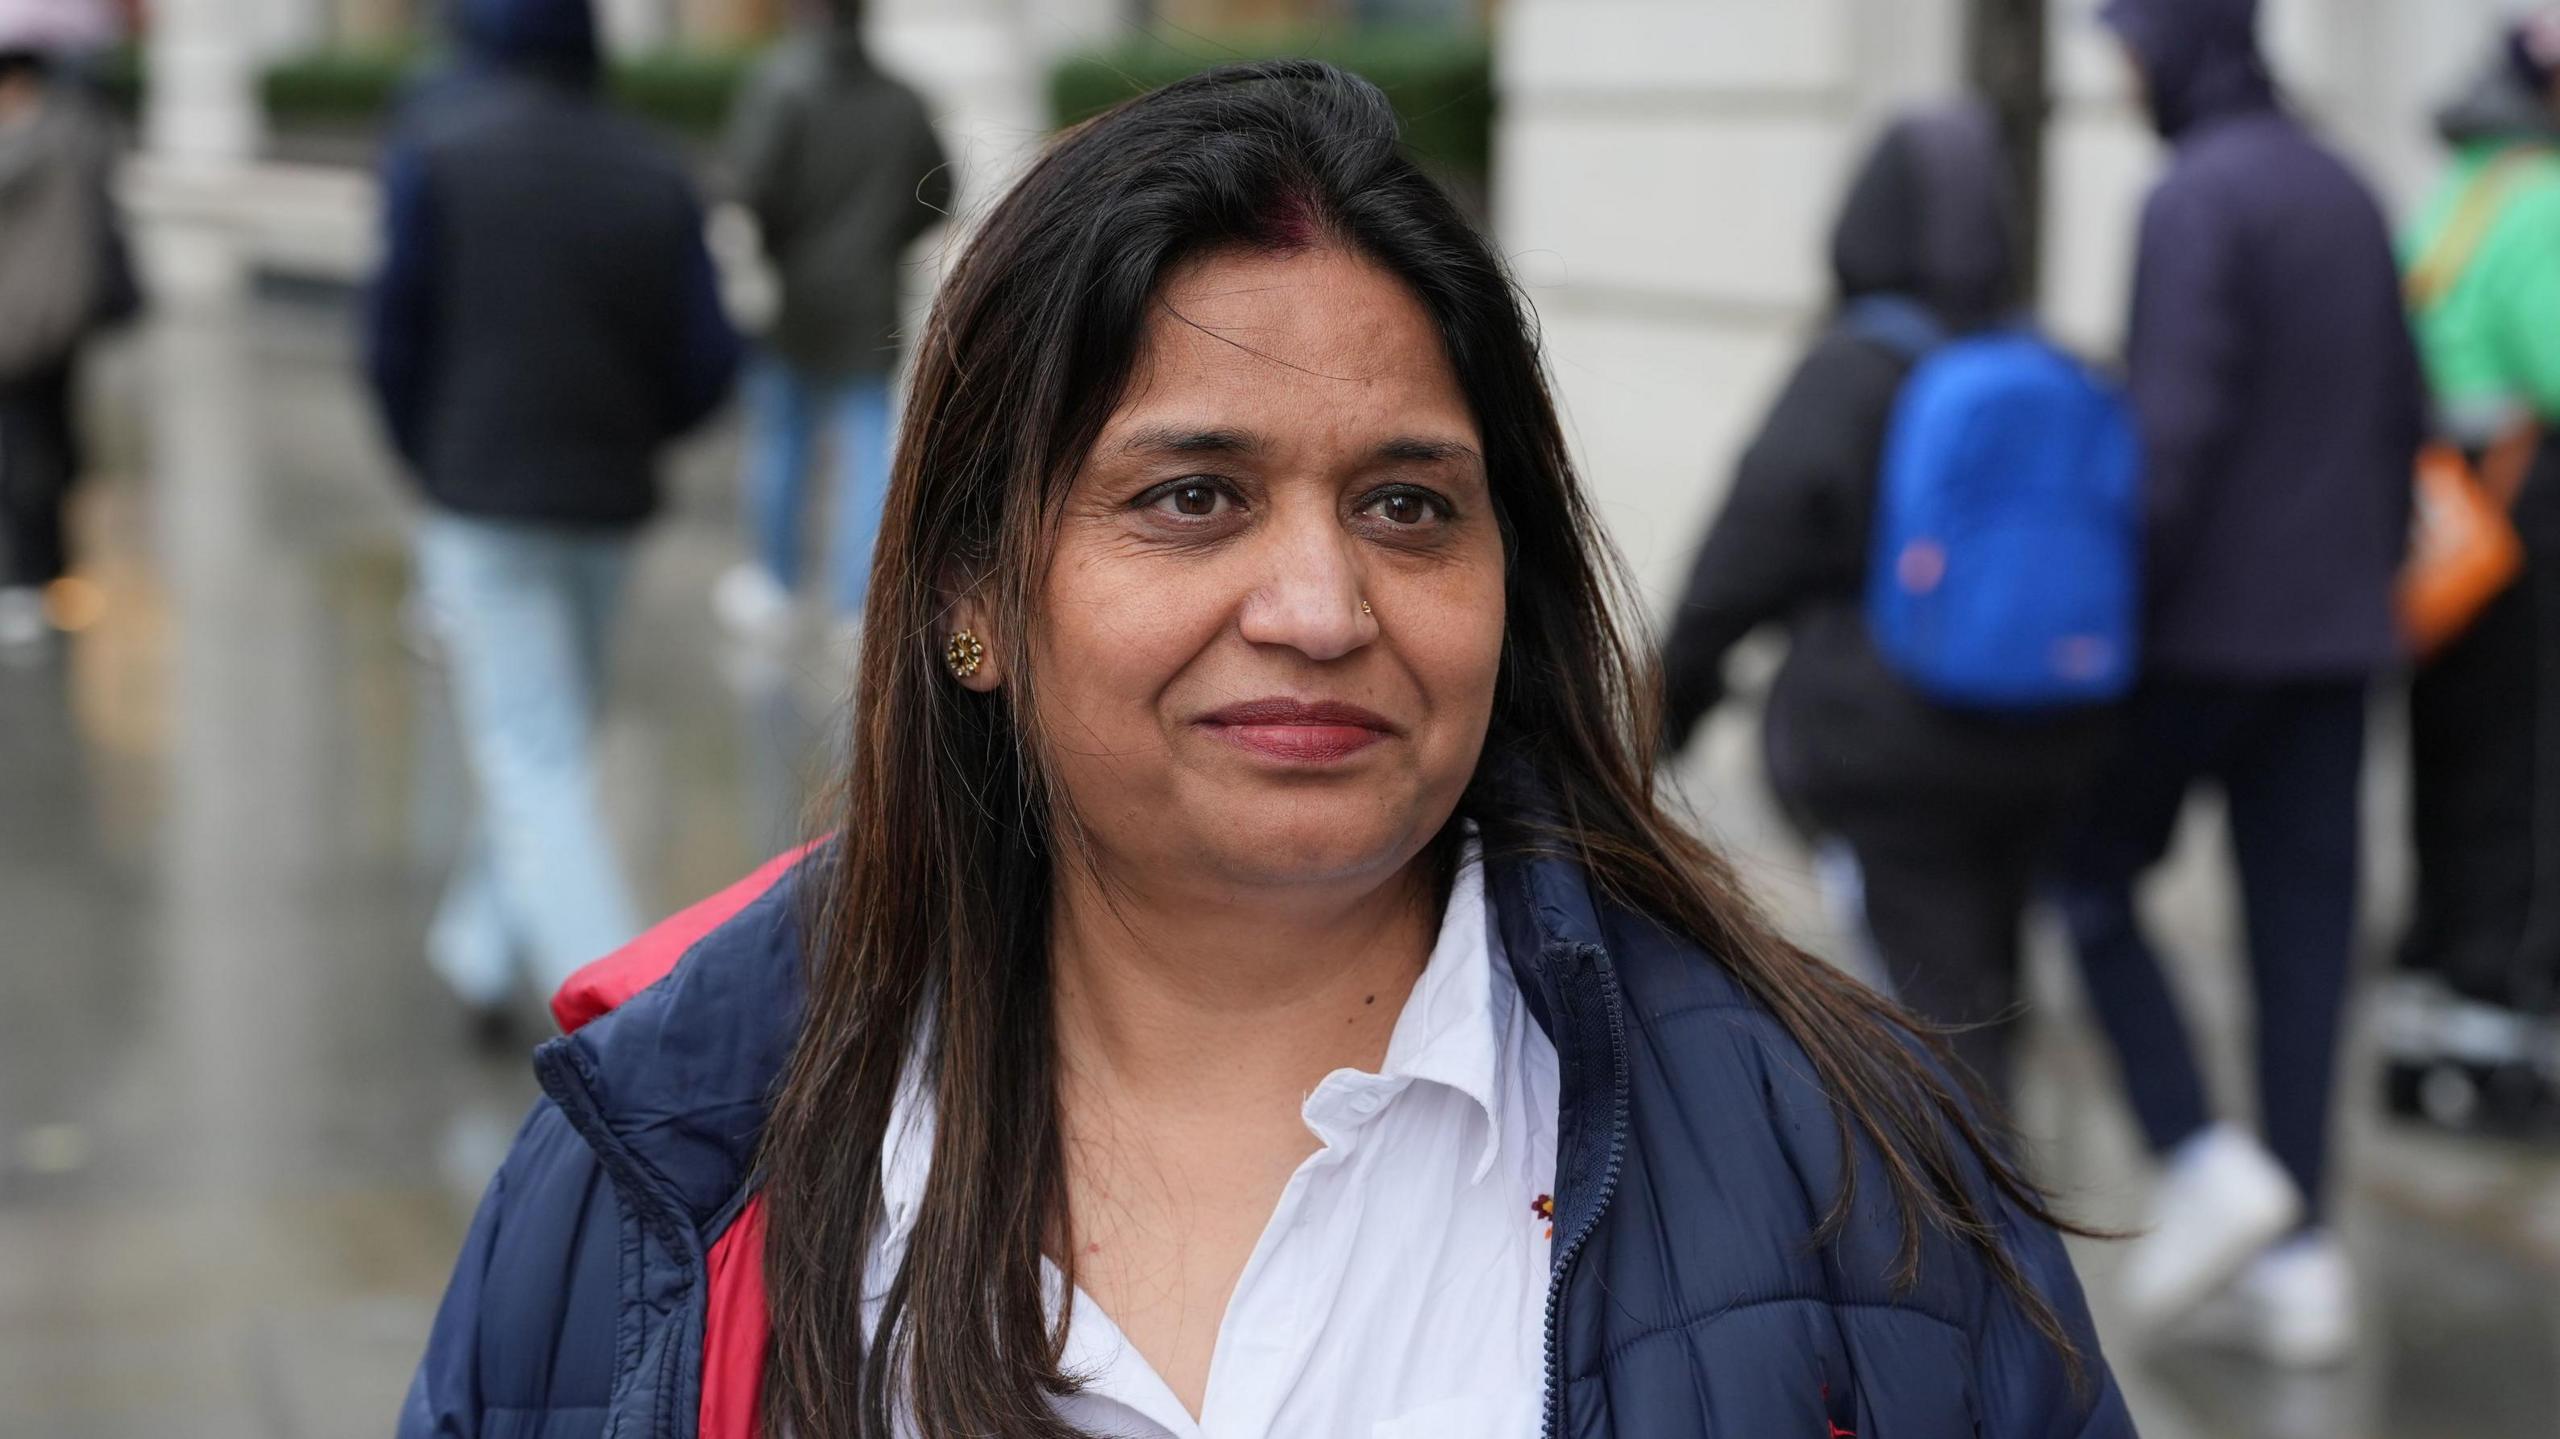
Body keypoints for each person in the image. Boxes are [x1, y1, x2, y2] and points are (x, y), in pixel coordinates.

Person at [401, 63, 2131, 1439]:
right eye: (1192, 496)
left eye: (1405, 504)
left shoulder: (1860, 1183)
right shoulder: (642, 1186)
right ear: (971, 599)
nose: (1320, 603)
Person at [2050, 0, 2423, 1365]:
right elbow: (2404, 421)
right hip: (2337, 644)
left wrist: (2104, 629)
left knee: (2086, 877)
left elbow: (2174, 442)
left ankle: (2202, 1157)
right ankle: (2306, 1255)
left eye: (2131, 41)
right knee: (2306, 946)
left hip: (2198, 640)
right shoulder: (2347, 188)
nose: (2125, 68)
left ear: (2178, 45)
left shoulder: (2193, 200)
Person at [1660, 101, 2118, 1104]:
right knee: (1986, 981)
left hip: (1890, 743)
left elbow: (1744, 549)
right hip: (2048, 732)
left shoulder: (1852, 368)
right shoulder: (2043, 358)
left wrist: (1667, 702)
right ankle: (1996, 1201)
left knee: (1932, 1014)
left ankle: (1976, 1230)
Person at [363, 0, 740, 1037]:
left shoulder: (436, 151)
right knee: (547, 734)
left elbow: (393, 334)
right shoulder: (653, 166)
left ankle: (629, 1019)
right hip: (605, 500)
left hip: (480, 497)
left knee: (533, 743)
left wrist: (429, 455)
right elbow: (709, 356)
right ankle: (477, 952)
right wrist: (638, 431)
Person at [2383, 10, 2560, 1133]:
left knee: (2447, 785)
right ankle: (2498, 1058)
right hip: (2523, 536)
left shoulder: (2455, 193)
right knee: (2522, 795)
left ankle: (2420, 1043)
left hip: (2443, 536)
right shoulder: (2540, 198)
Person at [711, 0, 951, 639]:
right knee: (867, 447)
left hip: (793, 299)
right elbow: (940, 191)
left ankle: (777, 582)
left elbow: (749, 189)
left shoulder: (779, 86)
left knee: (783, 439)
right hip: (871, 294)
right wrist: (883, 240)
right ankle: (855, 602)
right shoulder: (901, 99)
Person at [0, 41, 116, 654]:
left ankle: (28, 579)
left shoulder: (30, 145)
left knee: (23, 454)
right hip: (63, 321)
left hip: (20, 325)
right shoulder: (83, 133)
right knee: (52, 445)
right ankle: (51, 571)